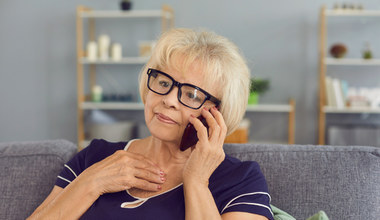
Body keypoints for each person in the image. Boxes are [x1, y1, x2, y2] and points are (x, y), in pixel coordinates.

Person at [28, 28, 274, 220]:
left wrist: (197, 182)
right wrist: (93, 182)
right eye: (164, 83)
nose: (168, 100)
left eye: (192, 95)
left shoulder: (240, 180)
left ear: (218, 113)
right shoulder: (94, 157)